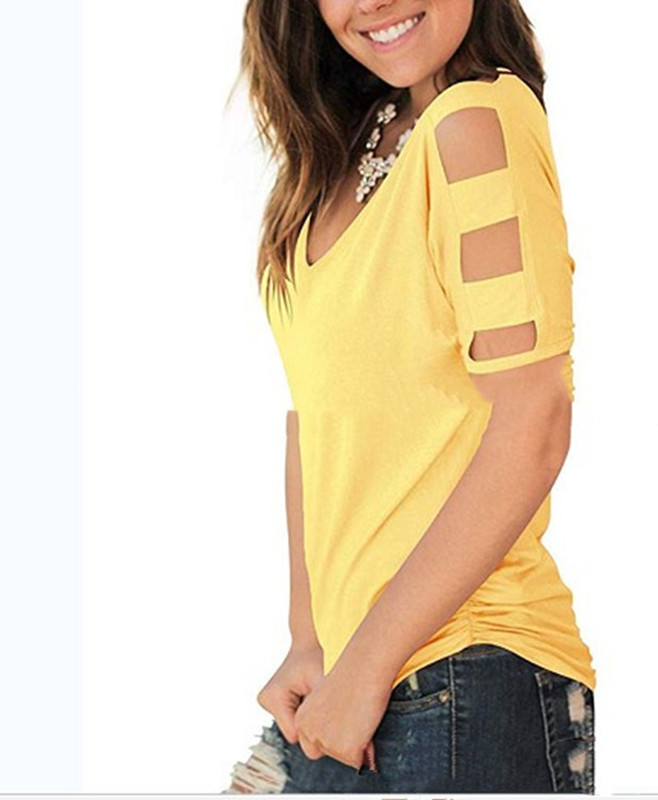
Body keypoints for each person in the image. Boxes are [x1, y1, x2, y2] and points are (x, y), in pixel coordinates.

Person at [224, 0, 595, 793]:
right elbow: (317, 419)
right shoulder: (349, 150)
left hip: (465, 673)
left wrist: (365, 663)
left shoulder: (476, 122)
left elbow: (534, 418)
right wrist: (310, 640)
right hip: (355, 684)